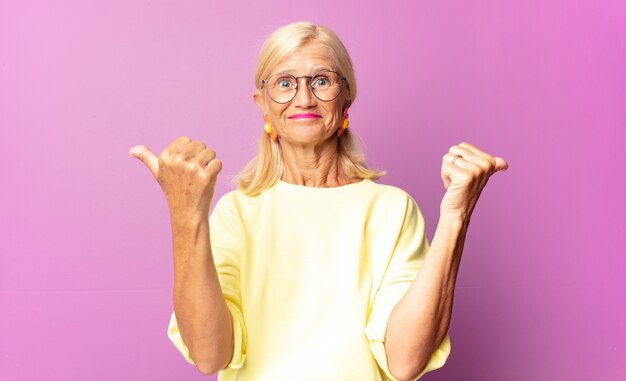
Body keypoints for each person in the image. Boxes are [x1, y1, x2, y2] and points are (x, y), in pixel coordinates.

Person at [128, 21, 508, 381]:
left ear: (346, 97)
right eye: (285, 82)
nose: (304, 97)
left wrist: (455, 215)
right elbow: (210, 355)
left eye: (322, 80)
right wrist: (185, 212)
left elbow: (405, 360)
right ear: (262, 103)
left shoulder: (391, 210)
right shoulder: (237, 213)